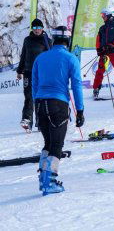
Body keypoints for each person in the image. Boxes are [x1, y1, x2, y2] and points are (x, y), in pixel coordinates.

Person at [31, 26, 84, 195]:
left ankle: (43, 178)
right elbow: (76, 85)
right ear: (68, 41)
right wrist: (80, 110)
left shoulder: (40, 58)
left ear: (53, 40)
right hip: (58, 104)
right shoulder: (71, 58)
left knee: (48, 142)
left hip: (40, 103)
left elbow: (34, 84)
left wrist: (35, 106)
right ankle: (49, 181)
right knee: (57, 144)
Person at [16, 19, 51, 132]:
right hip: (28, 72)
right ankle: (27, 120)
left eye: (39, 28)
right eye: (35, 28)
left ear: (42, 28)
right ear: (32, 29)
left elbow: (51, 57)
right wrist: (19, 70)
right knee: (29, 96)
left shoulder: (47, 41)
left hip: (42, 73)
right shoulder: (27, 40)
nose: (37, 30)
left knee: (40, 97)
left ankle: (41, 122)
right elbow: (23, 55)